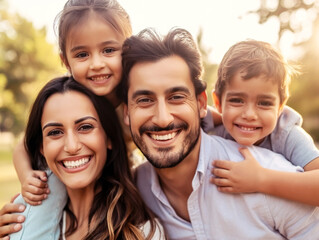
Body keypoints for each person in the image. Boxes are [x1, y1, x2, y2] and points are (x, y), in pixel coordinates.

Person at [117, 28, 319, 239]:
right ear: (127, 113)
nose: (163, 118)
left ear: (201, 103)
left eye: (176, 97)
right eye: (145, 100)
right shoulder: (133, 189)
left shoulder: (276, 159)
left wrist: (262, 180)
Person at [4, 76, 164, 239]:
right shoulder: (27, 223)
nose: (72, 147)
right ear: (42, 148)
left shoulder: (143, 232)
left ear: (108, 138)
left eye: (85, 127)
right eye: (55, 132)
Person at [205, 40, 319, 205]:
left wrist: (260, 179)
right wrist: (219, 117)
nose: (250, 115)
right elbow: (189, 116)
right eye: (237, 100)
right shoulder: (221, 127)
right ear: (218, 101)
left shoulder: (286, 135)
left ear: (280, 106)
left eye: (264, 103)